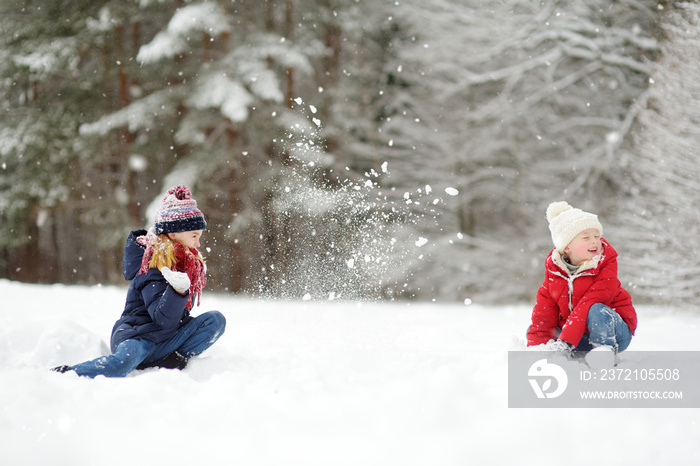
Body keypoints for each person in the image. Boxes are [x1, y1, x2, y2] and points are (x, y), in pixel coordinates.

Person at [52, 185, 226, 377]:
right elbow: (162, 319)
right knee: (122, 363)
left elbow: (174, 322)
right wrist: (177, 290)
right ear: (173, 233)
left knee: (215, 320)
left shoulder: (186, 265)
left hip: (165, 339)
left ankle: (169, 359)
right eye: (194, 236)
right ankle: (66, 373)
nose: (198, 243)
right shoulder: (150, 266)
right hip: (138, 337)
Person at [527, 201, 637, 356]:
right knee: (540, 331)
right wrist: (536, 349)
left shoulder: (605, 267)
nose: (594, 241)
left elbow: (589, 304)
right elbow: (543, 312)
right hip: (577, 337)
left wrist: (566, 341)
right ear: (567, 247)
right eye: (586, 237)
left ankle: (603, 353)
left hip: (614, 334)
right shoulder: (555, 273)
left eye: (597, 236)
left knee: (596, 310)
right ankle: (554, 353)